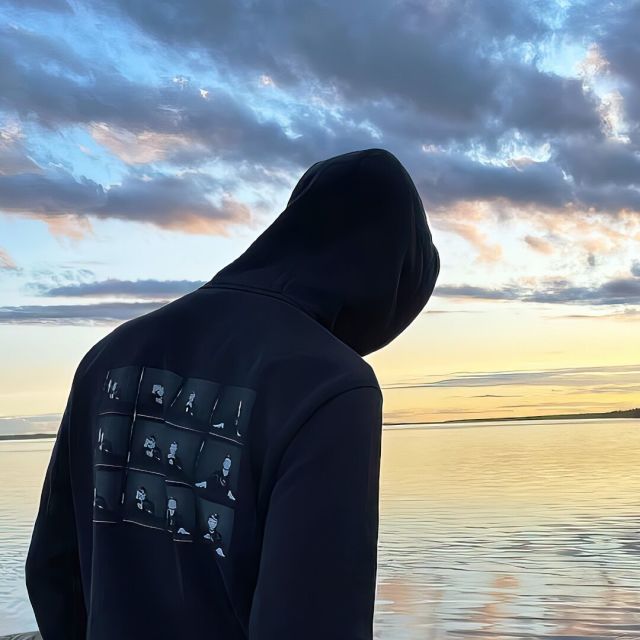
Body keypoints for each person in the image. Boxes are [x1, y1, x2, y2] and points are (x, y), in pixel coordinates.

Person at [24, 148, 440, 639]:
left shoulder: (108, 357)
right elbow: (313, 622)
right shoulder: (332, 386)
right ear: (394, 278)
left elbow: (51, 569)